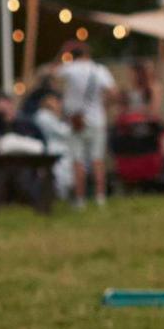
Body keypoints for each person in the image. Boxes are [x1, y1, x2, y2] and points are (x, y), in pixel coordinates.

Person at [55, 40, 117, 207]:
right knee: (97, 160)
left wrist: (61, 54)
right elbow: (113, 92)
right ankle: (100, 197)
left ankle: (80, 199)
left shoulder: (70, 69)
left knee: (78, 161)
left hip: (75, 121)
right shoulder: (100, 70)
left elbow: (51, 74)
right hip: (97, 120)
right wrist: (104, 106)